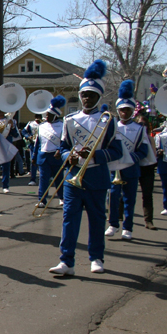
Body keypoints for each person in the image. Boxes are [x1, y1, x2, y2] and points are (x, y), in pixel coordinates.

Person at [50, 60, 122, 276]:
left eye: (91, 95)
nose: (86, 98)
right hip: (73, 175)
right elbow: (63, 147)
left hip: (97, 175)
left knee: (97, 219)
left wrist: (93, 155)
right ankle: (67, 261)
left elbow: (116, 151)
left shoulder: (108, 120)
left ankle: (96, 258)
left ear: (99, 97)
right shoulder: (69, 120)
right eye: (84, 94)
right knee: (69, 219)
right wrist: (68, 156)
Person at [105, 81, 149, 240]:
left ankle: (127, 228)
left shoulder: (140, 129)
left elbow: (143, 151)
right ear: (118, 110)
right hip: (115, 169)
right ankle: (113, 224)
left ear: (132, 111)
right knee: (113, 198)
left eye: (128, 110)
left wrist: (131, 158)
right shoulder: (112, 126)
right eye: (122, 110)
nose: (124, 113)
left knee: (130, 199)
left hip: (131, 168)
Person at [34, 97, 66, 209]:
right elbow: (37, 143)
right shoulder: (41, 126)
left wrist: (60, 150)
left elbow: (65, 142)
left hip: (56, 156)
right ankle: (42, 200)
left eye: (49, 115)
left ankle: (62, 198)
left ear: (56, 115)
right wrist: (34, 157)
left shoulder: (63, 125)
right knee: (43, 179)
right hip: (43, 156)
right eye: (47, 115)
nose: (47, 117)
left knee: (59, 179)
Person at [135, 113, 158, 229]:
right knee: (126, 193)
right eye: (140, 124)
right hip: (134, 166)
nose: (142, 126)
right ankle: (120, 217)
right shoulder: (133, 136)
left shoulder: (150, 138)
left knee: (147, 195)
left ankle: (149, 220)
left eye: (144, 124)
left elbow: (153, 154)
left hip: (147, 168)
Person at [0, 109, 18, 193]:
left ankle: (5, 186)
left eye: (1, 111)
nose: (0, 113)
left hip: (6, 145)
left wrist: (12, 126)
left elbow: (15, 134)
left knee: (6, 166)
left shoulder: (9, 120)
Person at [23, 114, 42, 186]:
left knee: (42, 162)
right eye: (36, 117)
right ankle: (33, 179)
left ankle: (44, 177)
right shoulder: (30, 123)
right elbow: (24, 132)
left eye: (39, 117)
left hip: (42, 145)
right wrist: (28, 136)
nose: (38, 119)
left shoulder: (44, 124)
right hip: (33, 144)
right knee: (33, 162)